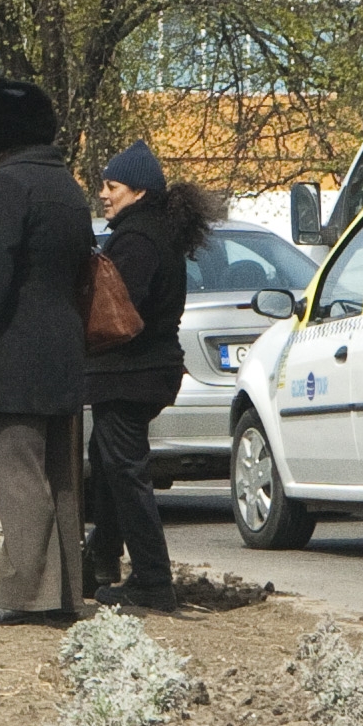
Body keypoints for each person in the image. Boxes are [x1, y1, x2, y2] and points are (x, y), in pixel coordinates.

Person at [0, 78, 95, 627]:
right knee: (61, 480)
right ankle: (66, 593)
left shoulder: (6, 187)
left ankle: (22, 593)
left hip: (11, 351)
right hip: (63, 344)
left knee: (19, 476)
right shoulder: (66, 186)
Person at [81, 140, 219, 613]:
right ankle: (101, 560)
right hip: (145, 371)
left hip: (129, 372)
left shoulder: (138, 238)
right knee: (107, 462)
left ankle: (153, 581)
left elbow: (121, 309)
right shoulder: (154, 231)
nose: (104, 194)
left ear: (138, 191)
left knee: (125, 472)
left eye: (112, 186)